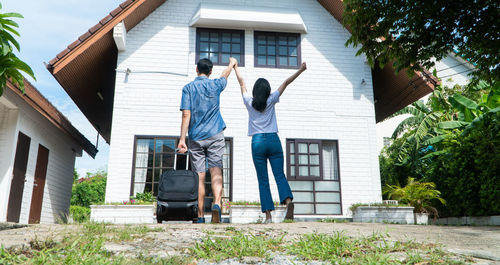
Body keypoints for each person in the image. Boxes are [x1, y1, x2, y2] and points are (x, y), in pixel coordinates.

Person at [233, 61, 307, 223]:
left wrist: (235, 67)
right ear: (267, 91)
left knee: (263, 179)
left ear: (255, 91)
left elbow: (242, 82)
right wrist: (300, 70)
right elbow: (286, 82)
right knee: (279, 174)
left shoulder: (248, 101)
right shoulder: (272, 99)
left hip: (257, 142)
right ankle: (288, 202)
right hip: (274, 140)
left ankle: (268, 217)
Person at [178, 57, 237, 223]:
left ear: (196, 69)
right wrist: (231, 64)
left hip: (195, 137)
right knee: (216, 169)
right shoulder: (215, 85)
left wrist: (182, 139)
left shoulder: (188, 88)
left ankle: (200, 216)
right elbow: (225, 75)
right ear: (210, 72)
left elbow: (186, 114)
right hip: (215, 133)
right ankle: (217, 204)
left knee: (200, 177)